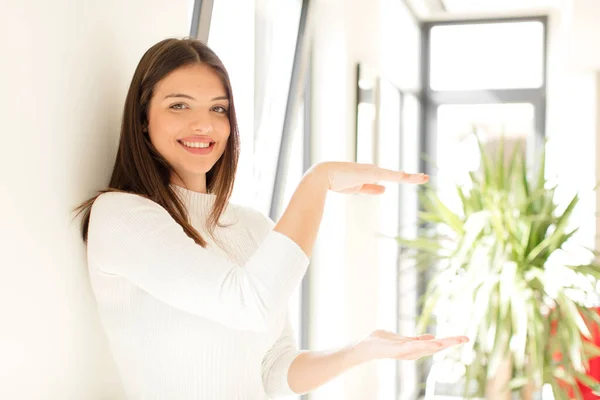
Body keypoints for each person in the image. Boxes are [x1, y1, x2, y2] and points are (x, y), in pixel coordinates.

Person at [72, 37, 468, 399]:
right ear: (142, 119)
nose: (203, 124)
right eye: (179, 105)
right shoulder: (120, 216)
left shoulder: (252, 226)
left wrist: (362, 350)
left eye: (218, 108)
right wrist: (318, 181)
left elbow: (275, 369)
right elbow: (249, 302)